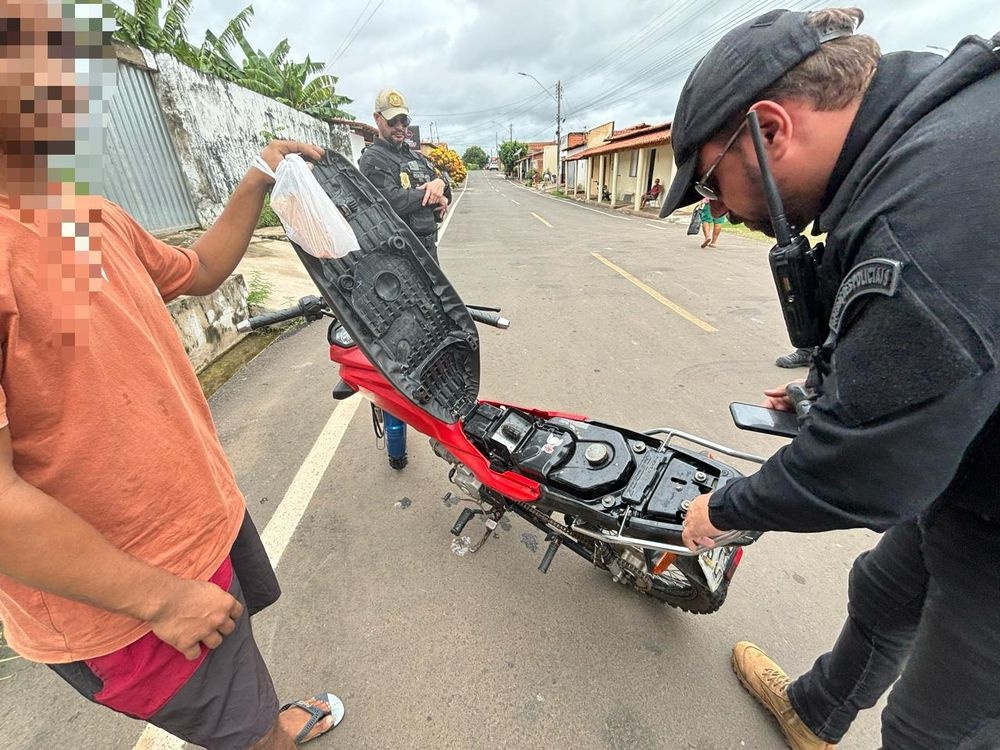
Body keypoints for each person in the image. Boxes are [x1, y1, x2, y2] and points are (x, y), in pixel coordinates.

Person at [0, 3, 343, 747]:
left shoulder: (81, 214)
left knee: (239, 687)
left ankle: (260, 720)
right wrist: (156, 599)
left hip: (196, 531)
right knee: (252, 738)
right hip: (123, 602)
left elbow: (199, 270)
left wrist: (256, 176)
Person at [659, 7, 1000, 749]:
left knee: (937, 729)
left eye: (711, 184)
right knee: (884, 590)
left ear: (772, 130)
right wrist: (827, 393)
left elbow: (872, 468)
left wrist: (727, 509)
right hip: (974, 458)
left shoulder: (931, 214)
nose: (715, 209)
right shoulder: (925, 131)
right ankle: (814, 714)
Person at [358, 88, 451, 264]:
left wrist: (440, 183)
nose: (400, 127)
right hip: (399, 258)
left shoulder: (416, 156)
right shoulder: (372, 159)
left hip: (429, 252)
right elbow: (393, 201)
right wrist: (432, 194)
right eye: (393, 121)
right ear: (377, 119)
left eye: (404, 121)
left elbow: (445, 190)